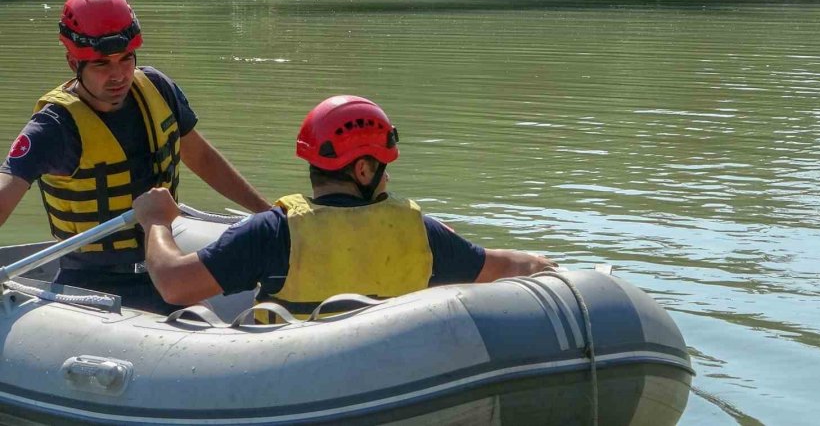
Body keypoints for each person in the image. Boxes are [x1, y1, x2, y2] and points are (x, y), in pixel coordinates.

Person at [133, 95, 557, 320]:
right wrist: (546, 267)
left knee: (198, 316)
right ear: (364, 168)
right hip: (399, 385)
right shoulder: (418, 232)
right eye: (384, 167)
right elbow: (504, 266)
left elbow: (173, 285)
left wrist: (156, 223)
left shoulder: (271, 233)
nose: (387, 178)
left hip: (289, 389)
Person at [0, 0, 270, 313]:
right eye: (102, 64)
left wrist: (267, 212)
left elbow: (201, 157)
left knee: (207, 321)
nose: (118, 75)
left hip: (163, 268)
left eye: (126, 58)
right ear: (73, 61)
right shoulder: (54, 126)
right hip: (90, 286)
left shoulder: (157, 88)